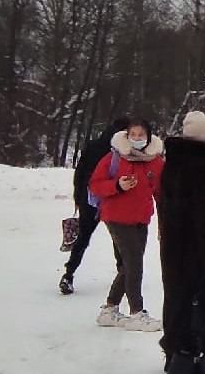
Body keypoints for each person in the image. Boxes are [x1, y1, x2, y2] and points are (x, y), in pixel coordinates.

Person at [156, 110, 205, 371]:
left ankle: (173, 349)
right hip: (196, 247)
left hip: (172, 241)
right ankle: (189, 353)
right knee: (198, 297)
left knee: (174, 295)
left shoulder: (172, 162)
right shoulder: (202, 167)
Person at [88, 117, 165, 331]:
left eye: (141, 135)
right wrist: (117, 185)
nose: (137, 139)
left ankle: (109, 310)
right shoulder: (113, 158)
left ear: (148, 137)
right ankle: (136, 312)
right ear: (126, 136)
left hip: (141, 218)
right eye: (133, 135)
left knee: (128, 265)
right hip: (116, 217)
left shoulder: (156, 162)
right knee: (134, 264)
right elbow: (95, 185)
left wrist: (163, 223)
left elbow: (161, 194)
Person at [60, 116, 131, 295]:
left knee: (83, 237)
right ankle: (123, 274)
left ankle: (69, 274)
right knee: (118, 237)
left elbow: (80, 173)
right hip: (112, 198)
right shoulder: (123, 151)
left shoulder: (93, 145)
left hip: (88, 198)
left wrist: (78, 197)